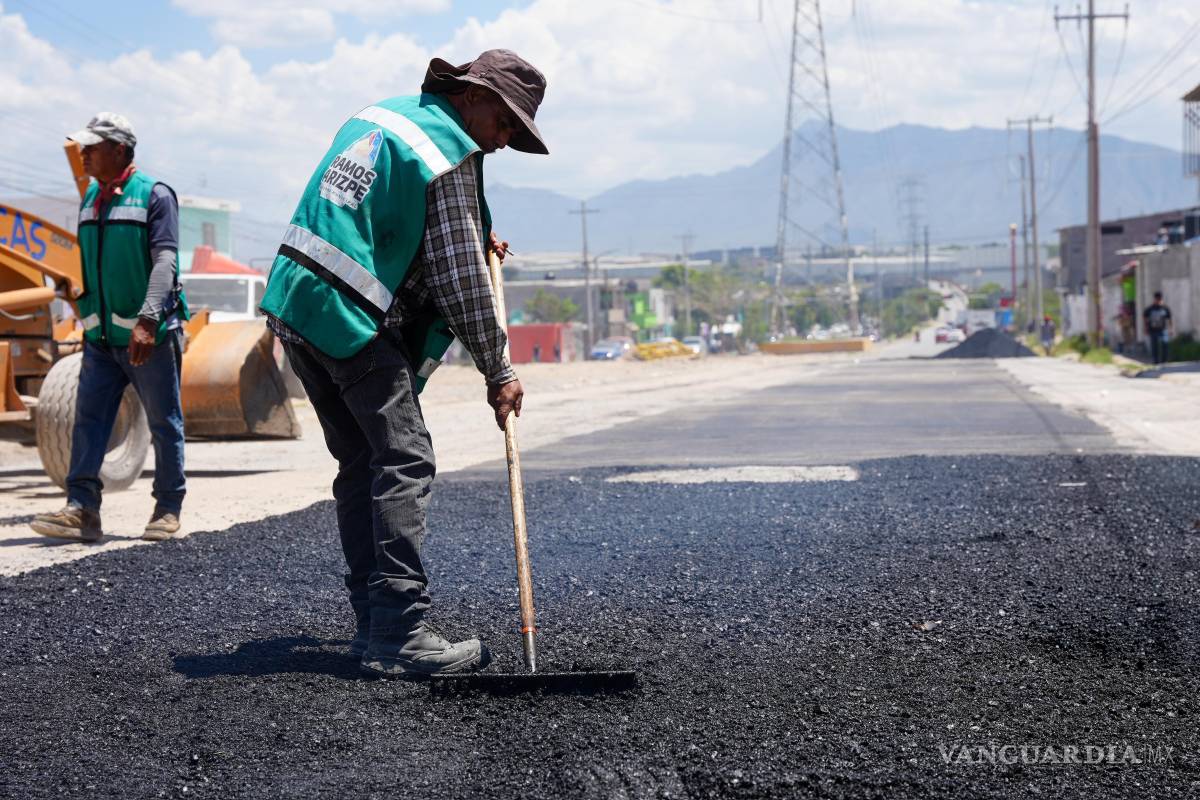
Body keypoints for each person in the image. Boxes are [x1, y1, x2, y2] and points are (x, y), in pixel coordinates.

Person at [259, 50, 548, 679]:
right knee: (404, 457)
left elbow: (389, 217)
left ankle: (373, 626)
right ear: (473, 95)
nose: (502, 142)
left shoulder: (389, 117)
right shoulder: (445, 150)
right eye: (504, 124)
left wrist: (474, 230)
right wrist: (499, 369)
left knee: (364, 460)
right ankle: (398, 630)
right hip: (347, 313)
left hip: (297, 300)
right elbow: (460, 279)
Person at [31, 113, 189, 544]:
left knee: (163, 422)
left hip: (147, 337)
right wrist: (74, 292)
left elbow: (164, 262)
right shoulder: (90, 199)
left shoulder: (155, 196)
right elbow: (94, 265)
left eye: (91, 147)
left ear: (119, 150)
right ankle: (82, 509)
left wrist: (148, 320)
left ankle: (167, 508)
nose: (83, 155)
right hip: (100, 338)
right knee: (89, 422)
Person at [1142, 291, 1173, 364]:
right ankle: (1156, 361)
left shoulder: (1165, 308)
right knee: (1154, 346)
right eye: (1157, 299)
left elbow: (1169, 319)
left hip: (1163, 329)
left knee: (1165, 344)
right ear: (1155, 299)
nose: (1159, 301)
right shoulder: (1150, 309)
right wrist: (1146, 328)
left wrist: (1171, 329)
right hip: (1153, 330)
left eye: (1160, 299)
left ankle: (1164, 361)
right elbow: (1145, 318)